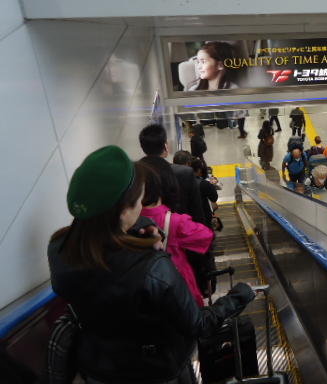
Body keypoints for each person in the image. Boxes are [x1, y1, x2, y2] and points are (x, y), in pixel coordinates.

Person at [48, 146, 255, 383]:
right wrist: (240, 295)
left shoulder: (59, 248)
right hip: (157, 372)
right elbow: (198, 324)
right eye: (139, 201)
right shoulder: (153, 267)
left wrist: (140, 228)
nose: (142, 207)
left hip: (98, 369)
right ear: (123, 211)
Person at [140, 163, 214, 307]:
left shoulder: (129, 221)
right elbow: (206, 236)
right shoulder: (175, 222)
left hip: (145, 293)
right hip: (177, 289)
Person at [139, 124, 206, 225]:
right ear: (165, 146)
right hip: (181, 229)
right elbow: (197, 211)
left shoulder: (135, 175)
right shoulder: (185, 173)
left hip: (146, 229)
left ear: (143, 148)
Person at [190, 158, 221, 231]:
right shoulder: (204, 184)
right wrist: (212, 185)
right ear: (199, 170)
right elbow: (214, 198)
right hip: (204, 216)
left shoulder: (183, 181)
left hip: (189, 217)